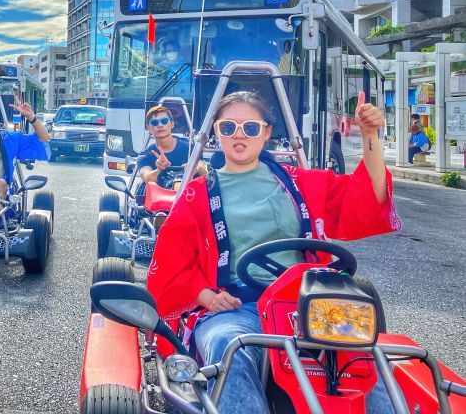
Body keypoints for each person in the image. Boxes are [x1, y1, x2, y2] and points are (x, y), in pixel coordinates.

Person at [147, 90, 401, 414]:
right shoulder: (196, 195)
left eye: (250, 128)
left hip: (311, 306)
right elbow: (171, 265)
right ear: (215, 132)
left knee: (361, 353)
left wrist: (370, 137)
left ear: (266, 132)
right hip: (238, 307)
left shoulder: (303, 183)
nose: (239, 135)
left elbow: (368, 198)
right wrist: (205, 297)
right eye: (228, 128)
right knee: (228, 347)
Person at [138, 105, 193, 186]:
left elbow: (204, 170)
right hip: (159, 196)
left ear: (172, 124)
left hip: (189, 195)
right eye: (154, 122)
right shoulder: (145, 155)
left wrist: (195, 167)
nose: (160, 125)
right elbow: (147, 178)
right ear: (148, 128)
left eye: (164, 121)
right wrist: (160, 170)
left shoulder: (189, 147)